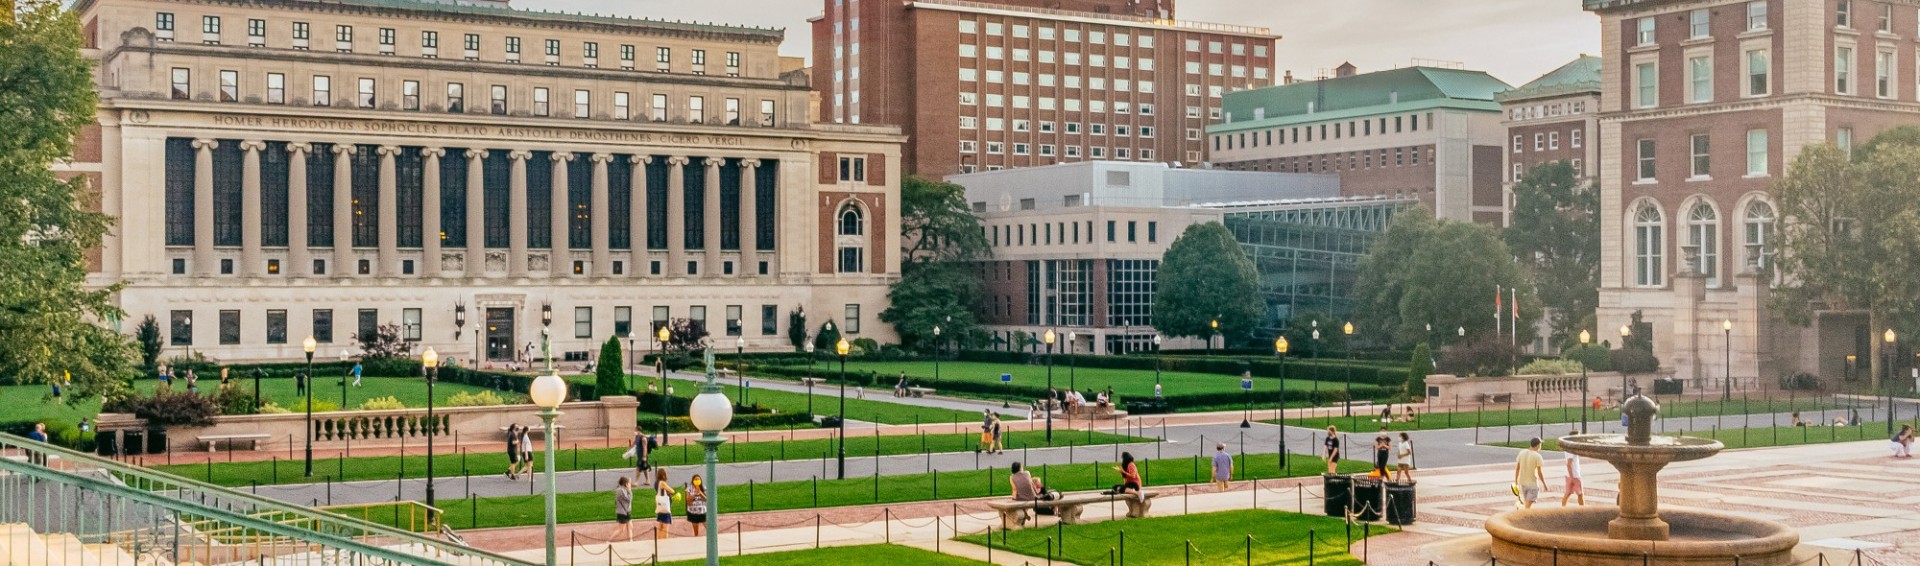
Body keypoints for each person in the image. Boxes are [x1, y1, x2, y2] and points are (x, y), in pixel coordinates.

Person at [1514, 437, 1547, 509]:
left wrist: (1516, 481)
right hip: (1533, 484)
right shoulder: (1537, 456)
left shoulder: (1522, 453)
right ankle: (1524, 518)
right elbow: (1539, 472)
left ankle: (1525, 517)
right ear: (1538, 445)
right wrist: (1544, 484)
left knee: (1527, 505)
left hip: (1523, 483)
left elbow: (1517, 468)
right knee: (1528, 506)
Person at [1561, 431, 1585, 506]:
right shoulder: (1570, 450)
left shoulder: (1571, 448)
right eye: (1578, 437)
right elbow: (1569, 464)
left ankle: (1563, 508)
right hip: (1574, 475)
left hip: (1571, 474)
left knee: (1568, 493)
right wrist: (1572, 478)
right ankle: (1583, 510)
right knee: (1580, 494)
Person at [609, 477, 634, 542]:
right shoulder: (621, 490)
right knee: (621, 530)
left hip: (626, 512)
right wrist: (630, 490)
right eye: (629, 483)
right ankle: (609, 541)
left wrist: (628, 489)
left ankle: (631, 541)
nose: (630, 484)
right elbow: (629, 499)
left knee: (630, 526)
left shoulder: (624, 489)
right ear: (626, 484)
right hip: (623, 512)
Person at [653, 469, 676, 539]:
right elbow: (672, 491)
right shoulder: (662, 483)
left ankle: (659, 540)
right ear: (663, 475)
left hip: (660, 505)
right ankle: (664, 542)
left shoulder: (656, 483)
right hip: (665, 506)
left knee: (661, 525)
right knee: (665, 527)